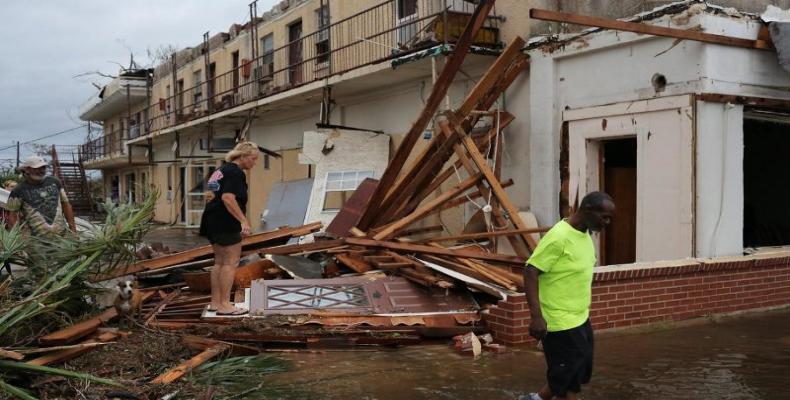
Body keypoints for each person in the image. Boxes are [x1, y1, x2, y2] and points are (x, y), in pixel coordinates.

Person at [522, 191, 615, 400]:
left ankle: (536, 399)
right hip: (559, 322)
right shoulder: (559, 237)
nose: (607, 223)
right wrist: (536, 316)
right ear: (588, 209)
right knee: (567, 377)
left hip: (580, 318)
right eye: (604, 217)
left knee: (575, 371)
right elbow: (530, 271)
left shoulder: (584, 233)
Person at [199, 142, 260, 315]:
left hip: (211, 220)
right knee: (230, 262)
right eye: (253, 159)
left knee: (219, 262)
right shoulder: (236, 172)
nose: (254, 163)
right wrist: (243, 221)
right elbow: (227, 198)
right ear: (243, 157)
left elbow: (212, 194)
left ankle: (215, 303)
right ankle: (225, 305)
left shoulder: (221, 170)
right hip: (225, 221)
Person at [6, 155, 76, 236]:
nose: (41, 171)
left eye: (43, 167)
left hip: (62, 239)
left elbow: (66, 205)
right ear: (27, 169)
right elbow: (13, 215)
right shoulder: (18, 190)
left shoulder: (54, 182)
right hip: (36, 243)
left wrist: (73, 230)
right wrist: (15, 238)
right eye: (37, 168)